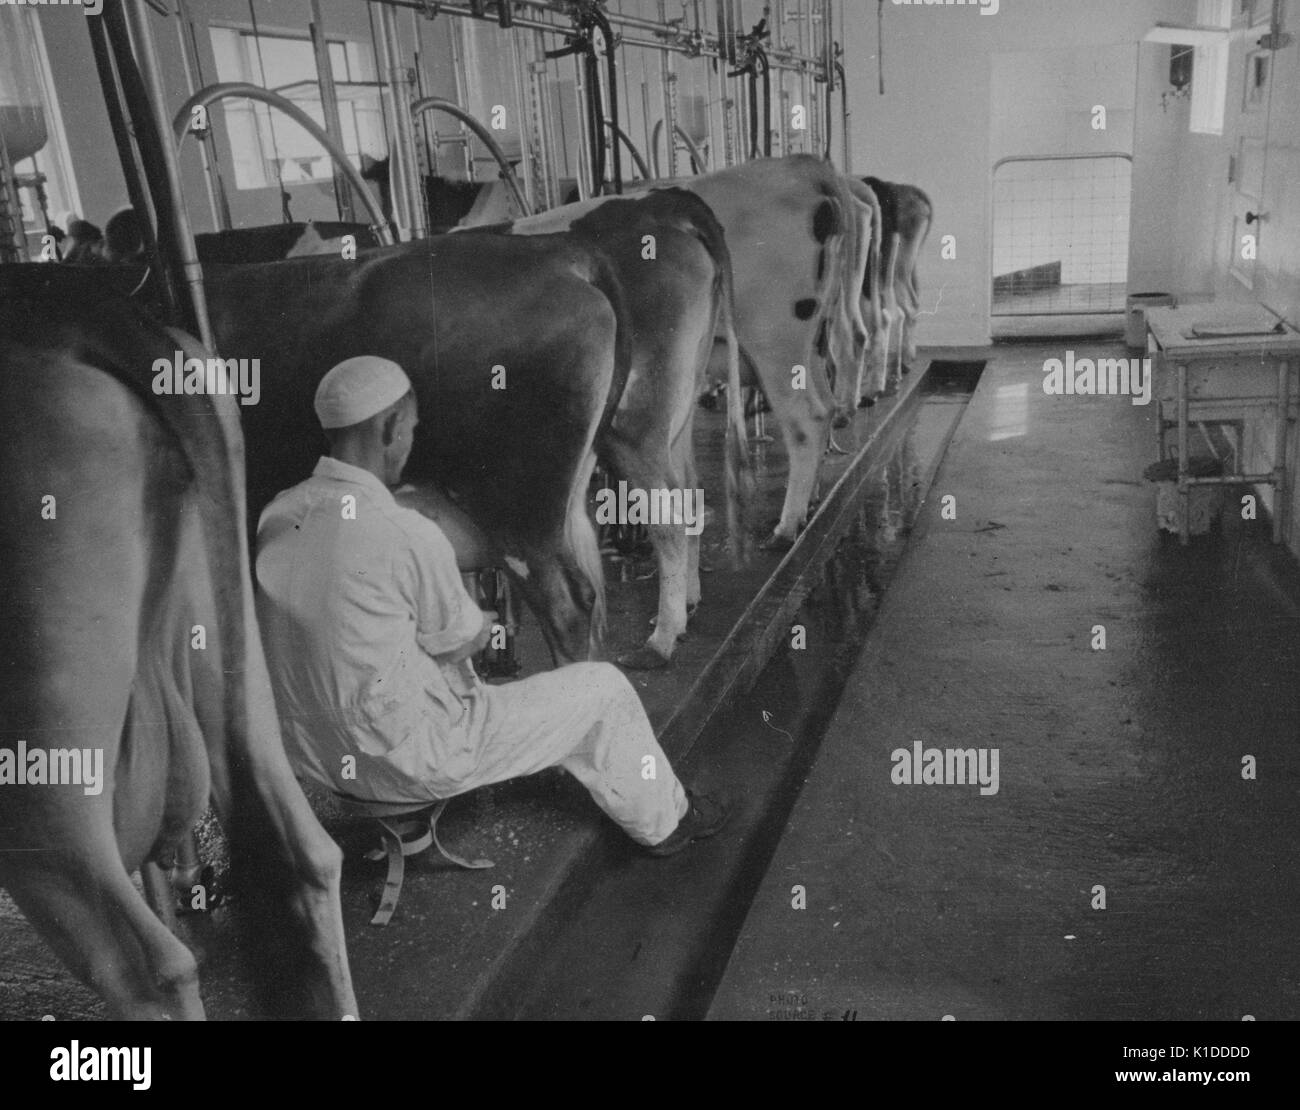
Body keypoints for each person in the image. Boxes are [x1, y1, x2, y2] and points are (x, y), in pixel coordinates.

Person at [254, 355, 730, 856]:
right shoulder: (405, 531)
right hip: (406, 761)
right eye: (410, 430)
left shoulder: (278, 514)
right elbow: (463, 640)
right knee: (604, 689)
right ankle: (670, 821)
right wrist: (481, 621)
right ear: (391, 427)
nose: (409, 444)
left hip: (316, 761)